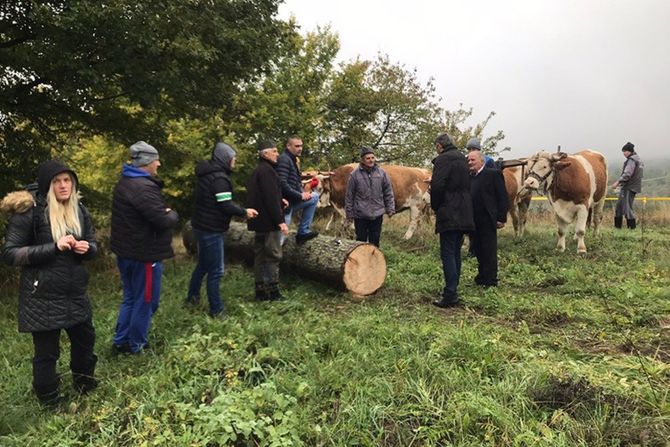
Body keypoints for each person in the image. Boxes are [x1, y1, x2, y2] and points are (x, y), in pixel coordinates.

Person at [2, 160, 98, 405]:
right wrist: (53, 247)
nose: (64, 186)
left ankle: (85, 383)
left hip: (74, 291)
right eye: (57, 181)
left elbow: (93, 244)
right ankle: (49, 399)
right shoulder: (30, 212)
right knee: (46, 353)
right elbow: (11, 254)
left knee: (85, 341)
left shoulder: (79, 210)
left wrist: (87, 249)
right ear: (48, 185)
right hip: (41, 295)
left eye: (68, 180)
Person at [111, 141, 178, 354]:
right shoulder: (143, 187)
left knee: (131, 297)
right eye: (156, 159)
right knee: (147, 301)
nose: (158, 163)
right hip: (144, 255)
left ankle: (121, 341)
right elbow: (163, 221)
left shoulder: (124, 182)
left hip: (126, 252)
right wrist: (171, 213)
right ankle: (136, 345)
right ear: (147, 161)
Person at [186, 142, 258, 317]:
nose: (234, 162)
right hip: (211, 229)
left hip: (202, 225)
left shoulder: (208, 174)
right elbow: (225, 205)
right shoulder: (219, 178)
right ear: (225, 159)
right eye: (233, 159)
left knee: (203, 264)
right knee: (216, 270)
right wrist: (244, 212)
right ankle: (216, 310)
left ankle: (192, 298)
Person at [430, 133, 475, 308]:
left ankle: (450, 294)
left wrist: (436, 206)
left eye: (436, 147)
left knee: (447, 253)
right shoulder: (463, 159)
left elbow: (438, 185)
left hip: (449, 210)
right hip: (464, 210)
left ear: (440, 146)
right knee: (456, 252)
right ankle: (453, 289)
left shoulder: (442, 160)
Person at [247, 139, 290, 301]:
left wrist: (281, 201)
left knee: (259, 256)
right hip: (268, 223)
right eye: (274, 151)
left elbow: (263, 196)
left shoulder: (258, 170)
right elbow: (270, 198)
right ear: (265, 153)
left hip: (258, 222)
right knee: (272, 255)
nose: (277, 154)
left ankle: (260, 292)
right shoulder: (268, 172)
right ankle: (273, 292)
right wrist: (280, 221)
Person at [467, 151, 508, 287]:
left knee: (488, 250)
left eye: (473, 160)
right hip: (473, 219)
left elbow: (502, 197)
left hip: (488, 219)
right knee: (477, 249)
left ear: (482, 161)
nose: (470, 163)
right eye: (469, 160)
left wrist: (501, 217)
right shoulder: (469, 178)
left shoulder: (493, 174)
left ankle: (491, 280)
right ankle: (482, 275)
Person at [344, 146, 395, 247]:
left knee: (375, 239)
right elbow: (349, 195)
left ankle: (374, 260)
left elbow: (388, 192)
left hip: (377, 213)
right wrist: (349, 213)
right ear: (362, 160)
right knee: (361, 240)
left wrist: (390, 208)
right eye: (368, 158)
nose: (371, 160)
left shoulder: (382, 173)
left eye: (372, 157)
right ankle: (360, 260)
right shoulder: (355, 175)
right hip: (360, 214)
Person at [276, 135, 319, 244]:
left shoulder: (292, 159)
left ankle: (303, 232)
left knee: (314, 196)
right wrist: (300, 195)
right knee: (279, 242)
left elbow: (294, 181)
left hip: (292, 200)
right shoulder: (284, 159)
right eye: (297, 146)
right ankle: (270, 259)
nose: (300, 148)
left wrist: (303, 192)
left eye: (301, 146)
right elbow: (282, 184)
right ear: (288, 146)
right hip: (284, 204)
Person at [612, 142, 644, 229]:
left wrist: (618, 182)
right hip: (632, 186)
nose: (624, 153)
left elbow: (627, 174)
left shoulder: (631, 160)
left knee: (627, 208)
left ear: (630, 151)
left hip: (629, 187)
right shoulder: (638, 160)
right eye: (623, 151)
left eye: (625, 151)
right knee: (619, 207)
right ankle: (617, 228)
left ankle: (631, 229)